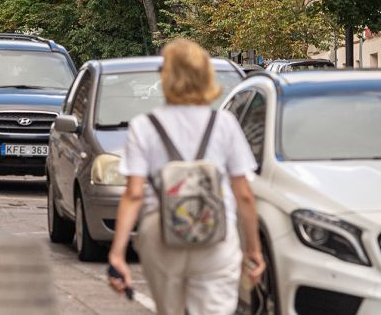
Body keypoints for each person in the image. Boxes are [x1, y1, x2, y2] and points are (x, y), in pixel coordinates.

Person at [107, 39, 265, 315]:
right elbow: (244, 195)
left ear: (164, 77)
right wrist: (253, 250)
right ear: (206, 76)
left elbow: (134, 194)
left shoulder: (144, 126)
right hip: (215, 235)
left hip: (162, 237)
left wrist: (117, 254)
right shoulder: (224, 124)